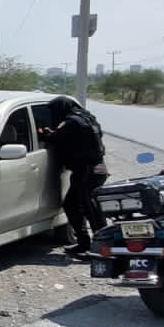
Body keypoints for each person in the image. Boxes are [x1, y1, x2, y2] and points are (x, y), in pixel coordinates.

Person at [38, 95, 108, 255]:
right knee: (85, 207)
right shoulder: (88, 118)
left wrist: (43, 132)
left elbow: (52, 138)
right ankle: (90, 245)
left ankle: (98, 247)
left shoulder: (72, 122)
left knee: (86, 208)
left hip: (86, 171)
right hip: (98, 168)